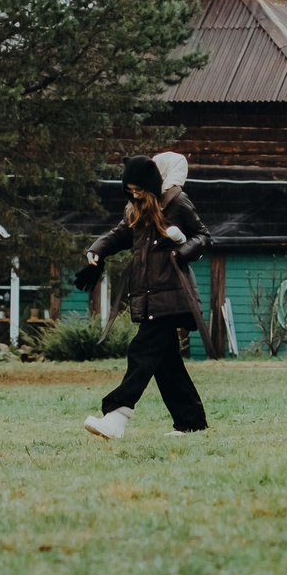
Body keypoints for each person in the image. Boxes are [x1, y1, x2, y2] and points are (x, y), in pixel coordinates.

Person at [77, 152, 223, 438]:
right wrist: (97, 249)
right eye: (130, 191)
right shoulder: (135, 210)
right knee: (167, 365)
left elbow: (204, 236)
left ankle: (117, 415)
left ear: (153, 185)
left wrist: (181, 247)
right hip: (147, 297)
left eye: (139, 190)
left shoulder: (178, 203)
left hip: (172, 296)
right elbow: (119, 234)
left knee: (141, 352)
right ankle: (191, 422)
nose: (134, 195)